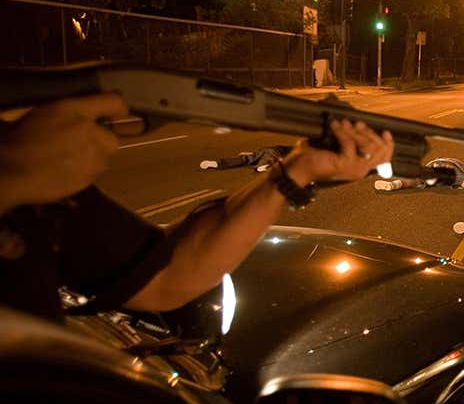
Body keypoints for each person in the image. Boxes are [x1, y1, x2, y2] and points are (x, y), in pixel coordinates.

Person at [0, 93, 393, 319]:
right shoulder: (18, 162)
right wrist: (11, 176)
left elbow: (166, 279)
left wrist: (297, 170)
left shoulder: (27, 168)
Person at [374, 157, 464, 195]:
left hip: (432, 168)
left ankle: (395, 184)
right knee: (462, 179)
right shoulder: (462, 166)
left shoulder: (436, 162)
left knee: (416, 179)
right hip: (450, 170)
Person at [199, 144, 291, 172]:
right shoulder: (297, 151)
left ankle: (217, 164)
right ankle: (264, 166)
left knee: (247, 159)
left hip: (267, 149)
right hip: (274, 152)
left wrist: (250, 153)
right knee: (270, 159)